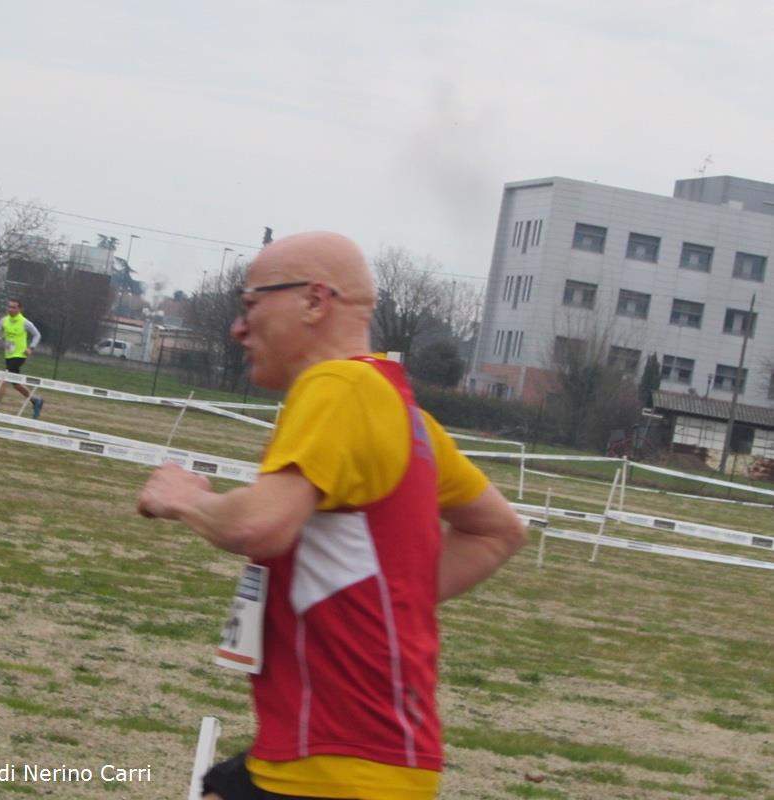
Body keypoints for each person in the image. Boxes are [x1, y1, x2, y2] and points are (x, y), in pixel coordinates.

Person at [137, 232, 526, 800]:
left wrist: (181, 497)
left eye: (251, 304)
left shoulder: (337, 385)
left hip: (336, 766)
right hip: (371, 758)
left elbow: (259, 525)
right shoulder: (405, 415)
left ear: (315, 301)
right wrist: (383, 603)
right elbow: (498, 530)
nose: (239, 328)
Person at [0, 299, 44, 419]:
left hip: (19, 355)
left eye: (14, 307)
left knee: (4, 378)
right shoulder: (4, 320)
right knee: (16, 384)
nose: (10, 309)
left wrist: (31, 348)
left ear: (19, 309)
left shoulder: (25, 322)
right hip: (9, 354)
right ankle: (35, 400)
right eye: (9, 307)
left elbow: (37, 335)